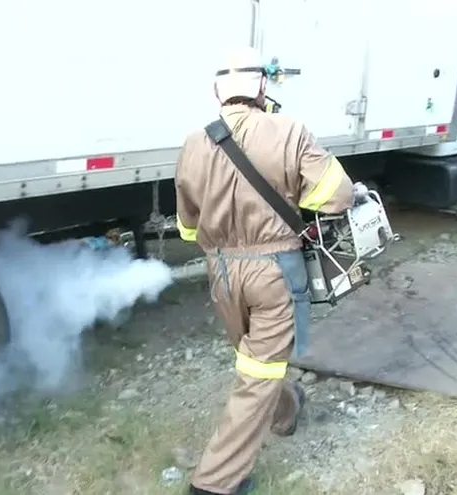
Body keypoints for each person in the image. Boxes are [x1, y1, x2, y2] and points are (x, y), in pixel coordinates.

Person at [174, 46, 354, 495]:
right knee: (258, 374)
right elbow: (338, 195)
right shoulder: (288, 130)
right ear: (262, 87)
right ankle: (215, 483)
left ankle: (286, 407)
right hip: (274, 270)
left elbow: (186, 227)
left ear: (217, 92)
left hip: (221, 273)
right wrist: (296, 208)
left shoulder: (194, 143)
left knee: (256, 361)